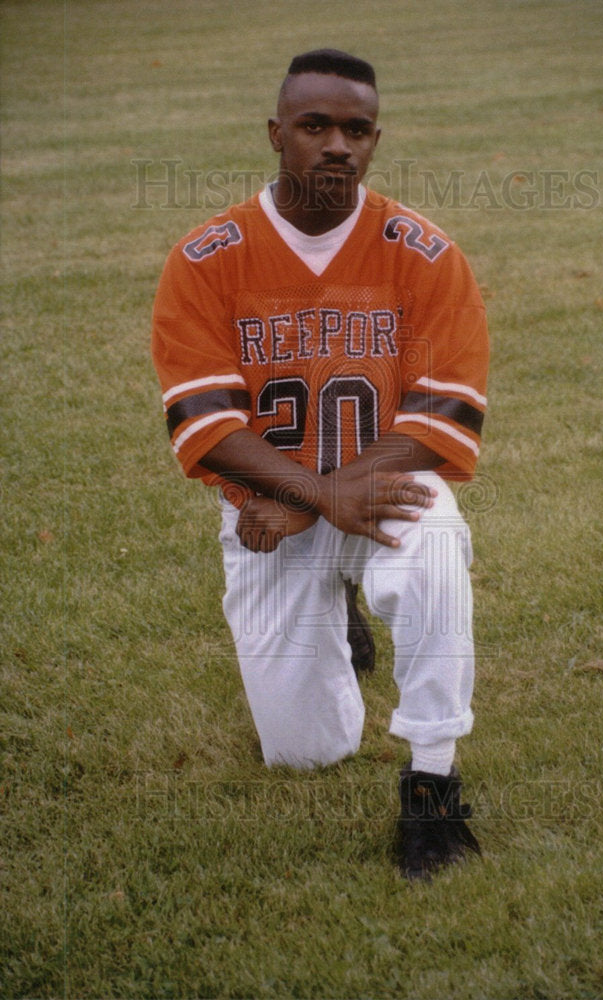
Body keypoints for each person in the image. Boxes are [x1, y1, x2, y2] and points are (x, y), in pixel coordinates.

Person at [152, 49, 489, 880]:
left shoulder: (423, 250)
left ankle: (433, 787)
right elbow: (203, 423)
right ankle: (335, 611)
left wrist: (315, 501)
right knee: (307, 753)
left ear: (374, 141)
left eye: (356, 129)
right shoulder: (206, 256)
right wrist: (309, 498)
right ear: (276, 134)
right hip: (270, 512)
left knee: (438, 551)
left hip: (372, 490)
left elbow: (445, 410)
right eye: (314, 126)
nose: (336, 145)